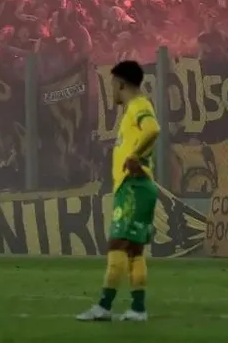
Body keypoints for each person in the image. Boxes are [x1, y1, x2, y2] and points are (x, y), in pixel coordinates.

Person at [77, 61, 159, 322]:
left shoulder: (138, 106)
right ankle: (137, 309)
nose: (111, 89)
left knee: (118, 244)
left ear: (121, 83)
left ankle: (104, 306)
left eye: (112, 84)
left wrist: (134, 155)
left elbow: (153, 129)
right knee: (134, 251)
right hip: (138, 186)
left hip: (133, 186)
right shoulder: (134, 109)